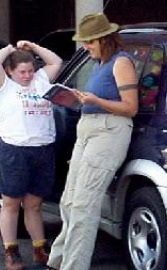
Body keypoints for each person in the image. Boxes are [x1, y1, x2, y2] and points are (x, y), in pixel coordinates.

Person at [46, 13, 138, 270]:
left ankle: (73, 266)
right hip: (88, 130)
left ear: (104, 39)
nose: (85, 46)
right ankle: (58, 261)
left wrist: (95, 101)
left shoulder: (121, 62)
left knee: (84, 206)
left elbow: (130, 107)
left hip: (109, 132)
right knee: (69, 201)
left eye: (89, 41)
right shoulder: (99, 63)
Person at [0, 41, 63, 270]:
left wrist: (33, 47)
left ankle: (39, 249)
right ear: (10, 71)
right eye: (21, 72)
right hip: (15, 149)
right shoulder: (5, 85)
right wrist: (10, 48)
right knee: (11, 202)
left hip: (43, 148)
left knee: (34, 204)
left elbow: (56, 61)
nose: (27, 76)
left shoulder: (41, 80)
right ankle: (11, 250)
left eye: (30, 70)